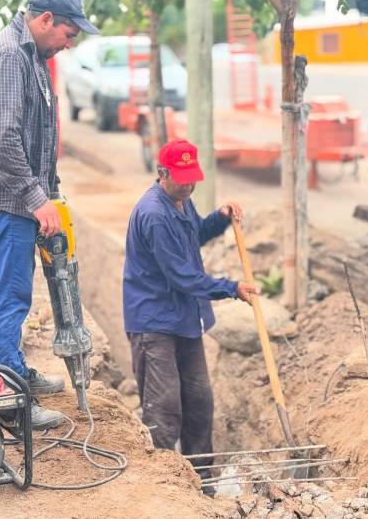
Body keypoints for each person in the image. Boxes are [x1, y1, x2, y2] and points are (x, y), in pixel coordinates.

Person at [0, 0, 99, 430]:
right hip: (3, 198)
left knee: (16, 291)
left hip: (18, 195)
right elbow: (1, 141)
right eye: (69, 32)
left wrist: (51, 193)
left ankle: (14, 371)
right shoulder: (5, 57)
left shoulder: (32, 57)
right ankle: (8, 403)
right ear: (44, 21)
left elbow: (36, 135)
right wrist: (37, 199)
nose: (71, 42)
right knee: (11, 296)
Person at [123, 139, 258, 485]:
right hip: (154, 323)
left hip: (183, 318)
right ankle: (166, 487)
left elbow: (194, 234)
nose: (188, 184)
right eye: (181, 178)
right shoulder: (154, 214)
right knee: (164, 408)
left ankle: (203, 481)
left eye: (191, 177)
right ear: (162, 172)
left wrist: (220, 219)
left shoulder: (181, 200)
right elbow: (182, 276)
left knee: (199, 402)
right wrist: (232, 288)